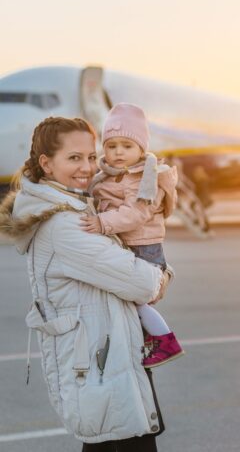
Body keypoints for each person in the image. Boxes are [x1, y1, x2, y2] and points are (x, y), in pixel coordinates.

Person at [0, 117, 171, 451]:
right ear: (46, 164)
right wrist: (160, 274)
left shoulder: (76, 208)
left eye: (91, 157)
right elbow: (143, 284)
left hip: (105, 360)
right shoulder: (66, 225)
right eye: (74, 158)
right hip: (102, 367)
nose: (87, 167)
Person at [82, 103, 183, 368]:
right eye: (111, 145)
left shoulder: (142, 178)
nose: (117, 152)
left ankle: (165, 339)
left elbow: (135, 214)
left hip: (142, 247)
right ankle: (147, 338)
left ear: (141, 149)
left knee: (134, 298)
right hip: (127, 244)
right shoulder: (109, 175)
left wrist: (101, 223)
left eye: (126, 146)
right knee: (126, 301)